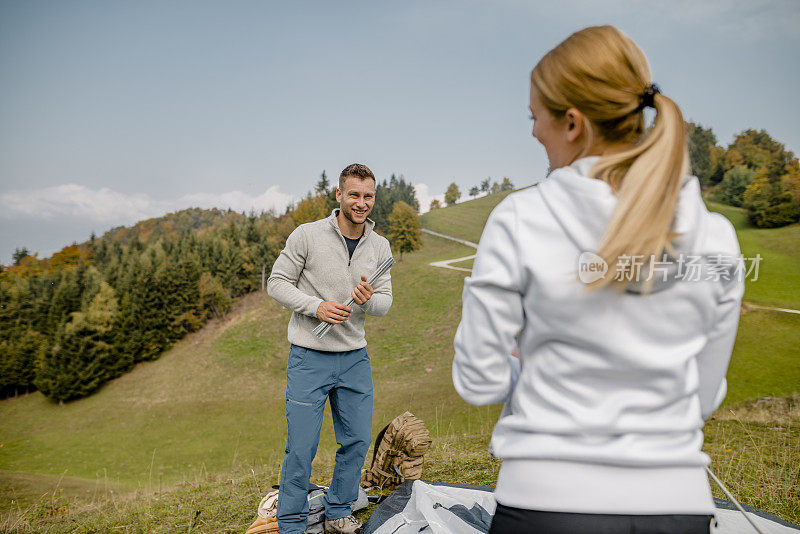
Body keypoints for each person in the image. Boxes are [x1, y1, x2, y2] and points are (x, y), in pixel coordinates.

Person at [452, 26, 744, 534]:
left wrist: (529, 373)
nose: (532, 131)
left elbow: (478, 381)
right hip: (678, 509)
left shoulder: (521, 218)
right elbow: (701, 397)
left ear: (572, 123)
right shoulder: (717, 237)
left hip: (544, 504)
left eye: (534, 116)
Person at [268, 163, 393, 534]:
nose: (361, 202)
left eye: (368, 196)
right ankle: (290, 526)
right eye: (354, 194)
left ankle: (338, 512)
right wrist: (315, 306)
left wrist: (369, 300)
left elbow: (385, 303)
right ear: (339, 195)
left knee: (356, 441)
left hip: (355, 357)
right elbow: (276, 283)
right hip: (309, 358)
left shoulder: (380, 246)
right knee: (301, 448)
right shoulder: (307, 236)